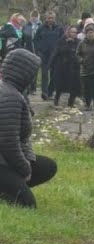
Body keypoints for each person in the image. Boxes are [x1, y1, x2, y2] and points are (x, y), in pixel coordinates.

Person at [0, 50, 58, 209]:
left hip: (4, 158)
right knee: (27, 205)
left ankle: (11, 186)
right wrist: (24, 169)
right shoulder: (9, 96)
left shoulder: (12, 92)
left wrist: (28, 160)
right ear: (25, 73)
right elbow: (8, 142)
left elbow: (22, 139)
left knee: (47, 166)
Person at [49, 26, 80, 107]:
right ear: (68, 32)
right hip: (62, 66)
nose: (74, 34)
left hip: (74, 66)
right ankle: (56, 100)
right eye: (72, 32)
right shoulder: (61, 41)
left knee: (74, 86)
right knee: (60, 85)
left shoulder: (78, 42)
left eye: (75, 32)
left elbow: (79, 52)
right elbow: (58, 51)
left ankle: (71, 102)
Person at [34, 11, 61, 100]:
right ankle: (44, 92)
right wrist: (38, 51)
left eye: (52, 18)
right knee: (44, 73)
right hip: (43, 54)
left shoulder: (59, 28)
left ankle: (50, 92)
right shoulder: (41, 28)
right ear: (46, 18)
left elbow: (62, 40)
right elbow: (35, 40)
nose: (50, 20)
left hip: (55, 55)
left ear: (55, 18)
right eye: (49, 18)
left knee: (54, 74)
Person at [76, 23, 94, 110]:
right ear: (86, 34)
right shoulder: (82, 43)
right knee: (86, 88)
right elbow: (77, 54)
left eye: (92, 32)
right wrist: (81, 60)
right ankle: (87, 104)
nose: (91, 34)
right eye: (89, 33)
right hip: (85, 69)